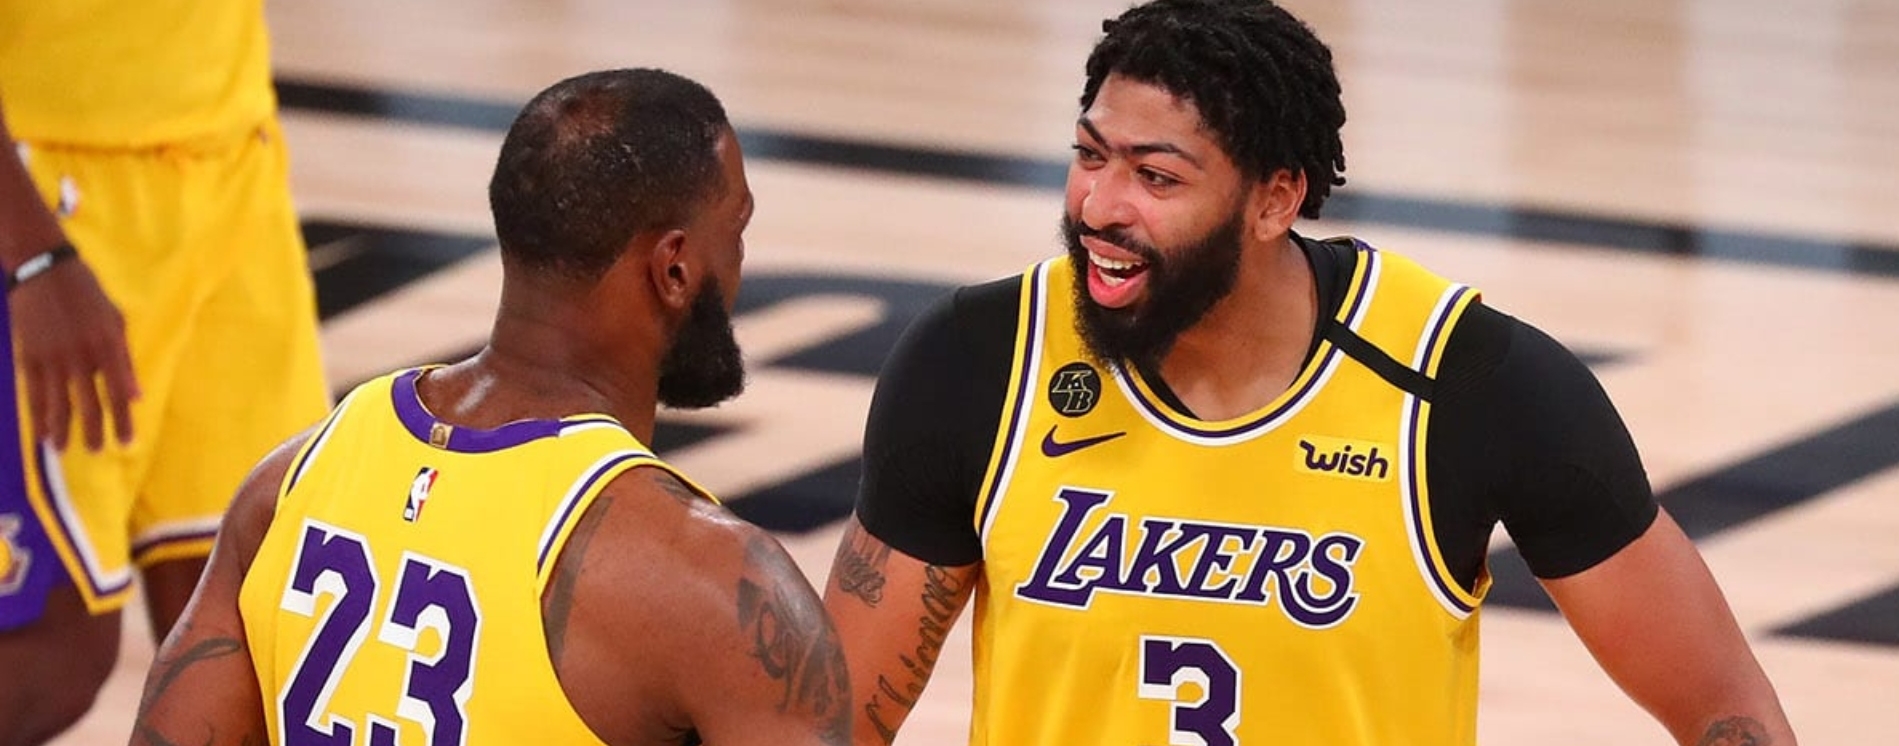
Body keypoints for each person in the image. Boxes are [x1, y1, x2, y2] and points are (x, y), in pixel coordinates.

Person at [822, 1, 1796, 744]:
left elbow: (1724, 706)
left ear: (1275, 199)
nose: (1100, 206)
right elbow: (828, 726)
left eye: (1156, 176)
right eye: (1090, 155)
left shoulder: (1464, 385)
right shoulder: (980, 362)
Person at [125, 69, 852, 746]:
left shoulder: (290, 484)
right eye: (737, 230)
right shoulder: (713, 589)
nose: (739, 262)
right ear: (675, 267)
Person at [0, 1, 329, 741]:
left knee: (259, 635)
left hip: (230, 159)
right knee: (48, 649)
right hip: (46, 192)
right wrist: (31, 253)